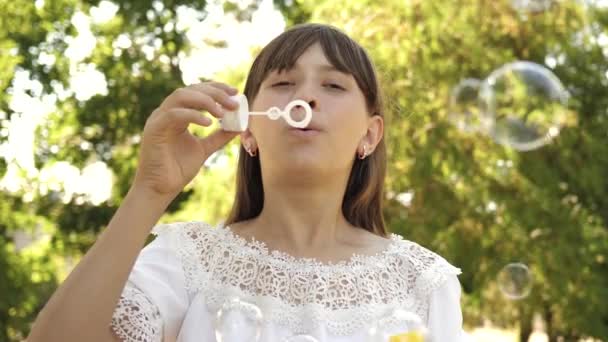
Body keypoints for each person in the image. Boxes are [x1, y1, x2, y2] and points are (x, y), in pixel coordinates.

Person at [27, 23, 466, 342]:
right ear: (249, 130)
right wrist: (150, 191)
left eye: (333, 84)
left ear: (369, 136)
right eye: (284, 82)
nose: (305, 97)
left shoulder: (422, 284)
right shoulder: (188, 264)